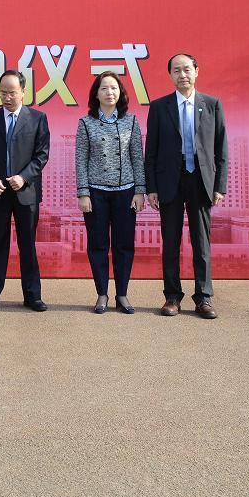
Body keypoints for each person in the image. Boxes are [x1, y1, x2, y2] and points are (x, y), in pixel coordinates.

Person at [145, 53, 226, 320]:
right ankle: (172, 296)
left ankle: (203, 297)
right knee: (171, 241)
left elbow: (221, 149)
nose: (182, 75)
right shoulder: (160, 107)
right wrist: (152, 187)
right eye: (177, 71)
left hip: (201, 181)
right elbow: (151, 151)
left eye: (187, 69)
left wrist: (219, 186)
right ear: (170, 75)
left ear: (196, 71)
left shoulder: (212, 105)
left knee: (201, 242)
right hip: (170, 180)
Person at [0, 69, 50, 312]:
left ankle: (32, 296)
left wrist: (24, 177)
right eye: (3, 93)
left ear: (23, 92)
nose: (7, 98)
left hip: (26, 193)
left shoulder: (37, 118)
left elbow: (42, 154)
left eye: (12, 93)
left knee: (28, 245)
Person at [75, 71, 146, 315]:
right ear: (96, 94)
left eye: (114, 88)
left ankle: (122, 294)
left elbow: (137, 157)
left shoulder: (131, 121)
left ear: (121, 93)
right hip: (96, 193)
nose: (109, 92)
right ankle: (102, 294)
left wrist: (140, 191)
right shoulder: (86, 123)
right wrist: (83, 193)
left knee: (124, 245)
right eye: (104, 88)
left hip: (125, 191)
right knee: (98, 244)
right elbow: (81, 160)